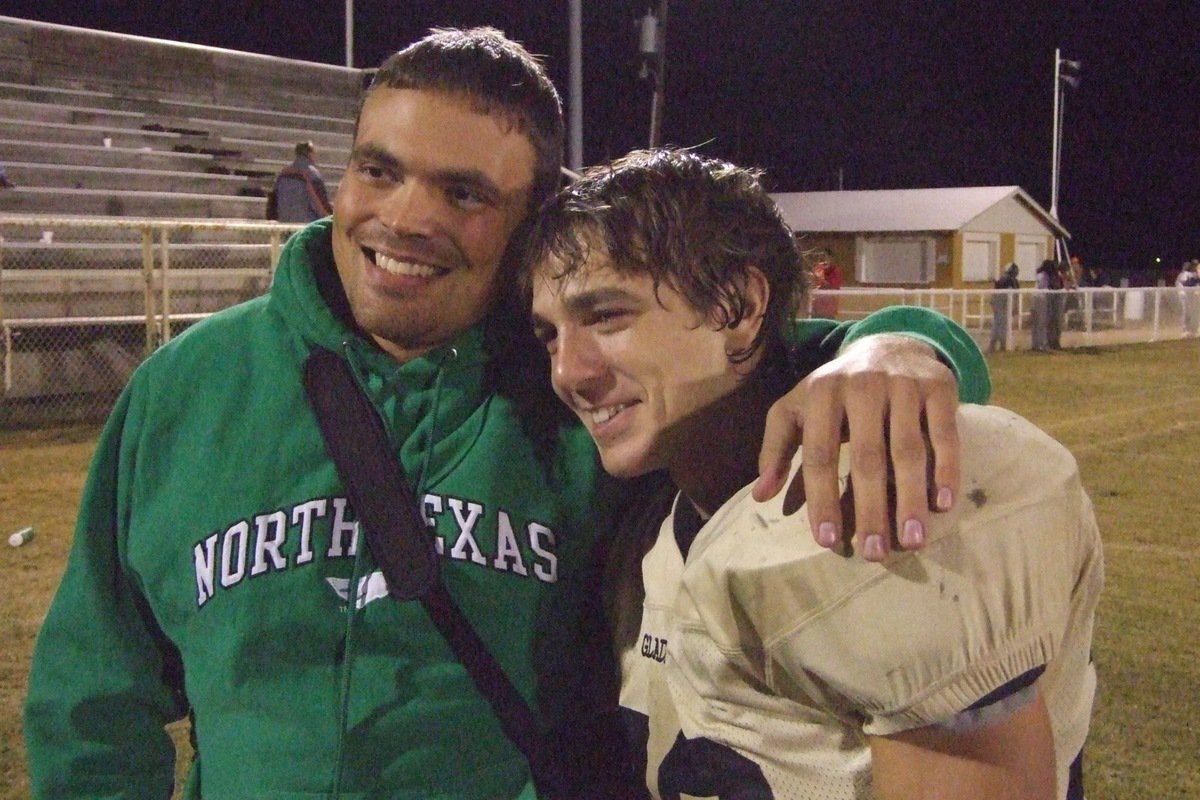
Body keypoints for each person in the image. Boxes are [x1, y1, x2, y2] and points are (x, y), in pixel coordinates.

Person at [24, 29, 989, 800]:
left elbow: (790, 363)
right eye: (379, 169)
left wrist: (898, 345)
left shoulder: (585, 387)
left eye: (464, 193)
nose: (404, 218)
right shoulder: (187, 386)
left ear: (535, 222)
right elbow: (93, 702)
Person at [525, 149, 1102, 800]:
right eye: (549, 335)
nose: (568, 371)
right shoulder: (640, 540)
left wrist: (896, 345)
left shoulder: (875, 507)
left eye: (606, 316)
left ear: (738, 306)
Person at [267, 140, 333, 222]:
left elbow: (274, 201)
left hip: (284, 224)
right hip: (306, 226)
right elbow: (321, 204)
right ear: (309, 154)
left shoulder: (284, 173)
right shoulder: (312, 174)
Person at [1032, 258, 1063, 351]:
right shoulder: (1043, 276)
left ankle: (1048, 343)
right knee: (1041, 323)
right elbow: (1044, 288)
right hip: (1041, 300)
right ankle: (1040, 344)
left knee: (1047, 323)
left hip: (1045, 301)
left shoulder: (1049, 276)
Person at [989, 262, 1020, 352]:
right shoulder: (1009, 280)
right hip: (1002, 304)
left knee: (998, 323)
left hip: (1000, 304)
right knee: (1001, 324)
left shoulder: (1003, 279)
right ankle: (1000, 343)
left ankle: (994, 343)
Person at [808, 249, 843, 318]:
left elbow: (833, 287)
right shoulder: (818, 268)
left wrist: (820, 279)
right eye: (822, 258)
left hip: (828, 308)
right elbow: (812, 284)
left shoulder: (836, 271)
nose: (824, 260)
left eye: (826, 257)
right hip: (817, 307)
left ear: (832, 258)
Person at [1174, 259, 1200, 337]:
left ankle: (1192, 330)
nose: (1194, 267)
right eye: (1193, 265)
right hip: (1185, 296)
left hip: (1190, 297)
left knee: (1193, 313)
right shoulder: (1185, 274)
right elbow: (1187, 283)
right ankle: (1185, 330)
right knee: (1187, 313)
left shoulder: (1191, 274)